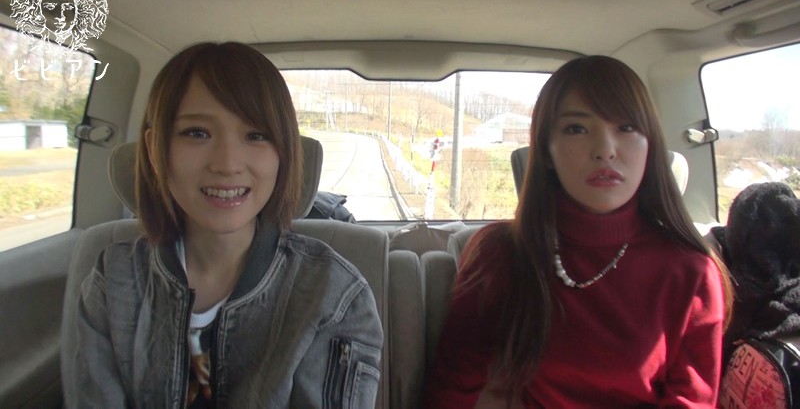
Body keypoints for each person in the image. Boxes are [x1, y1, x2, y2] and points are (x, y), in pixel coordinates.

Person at [70, 42, 383, 408]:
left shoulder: (333, 295)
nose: (227, 164)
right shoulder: (114, 280)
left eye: (256, 135)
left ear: (284, 154)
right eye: (196, 133)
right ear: (155, 150)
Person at [424, 55, 733, 408]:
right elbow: (452, 388)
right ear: (546, 152)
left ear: (650, 146)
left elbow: (691, 401)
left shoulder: (691, 271)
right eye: (576, 129)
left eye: (626, 127)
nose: (605, 151)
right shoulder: (503, 253)